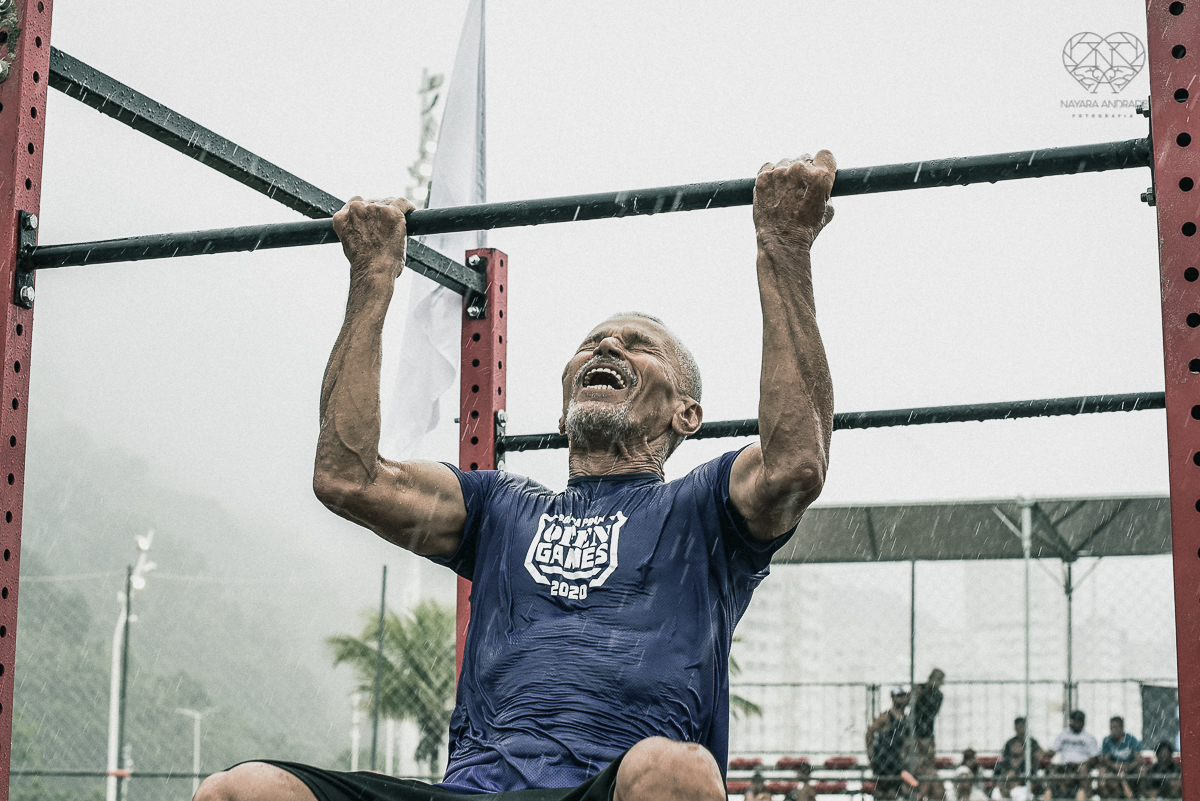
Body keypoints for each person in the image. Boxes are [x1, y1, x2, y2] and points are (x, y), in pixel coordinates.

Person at [193, 149, 838, 801]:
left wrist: (782, 246)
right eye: (593, 341)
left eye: (638, 344)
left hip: (602, 789)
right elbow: (346, 478)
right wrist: (374, 276)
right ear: (562, 413)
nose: (608, 345)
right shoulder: (499, 507)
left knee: (676, 772)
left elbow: (795, 463)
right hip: (473, 789)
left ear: (686, 413)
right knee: (240, 791)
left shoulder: (704, 508)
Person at [1042, 710, 1100, 801]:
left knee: (1083, 770)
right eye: (1074, 720)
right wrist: (1042, 754)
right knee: (1054, 770)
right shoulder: (1064, 734)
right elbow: (1052, 751)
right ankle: (1051, 796)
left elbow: (1095, 758)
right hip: (1064, 765)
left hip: (1080, 766)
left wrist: (1080, 764)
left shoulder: (1089, 737)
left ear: (1083, 722)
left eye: (1078, 721)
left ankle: (1087, 797)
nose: (1076, 723)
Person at [868, 687, 912, 799]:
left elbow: (906, 742)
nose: (902, 699)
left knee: (900, 792)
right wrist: (870, 754)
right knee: (887, 793)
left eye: (903, 696)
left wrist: (905, 757)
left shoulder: (905, 719)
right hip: (884, 761)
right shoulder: (886, 717)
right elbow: (869, 733)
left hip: (897, 762)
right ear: (893, 698)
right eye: (899, 696)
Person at [911, 669, 946, 800]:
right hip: (917, 731)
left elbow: (931, 712)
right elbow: (914, 705)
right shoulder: (920, 689)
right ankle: (920, 792)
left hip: (926, 732)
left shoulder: (937, 695)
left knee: (928, 766)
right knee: (918, 765)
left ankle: (923, 793)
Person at [1097, 717, 1141, 798]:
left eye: (1116, 727)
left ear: (1122, 727)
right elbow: (1105, 760)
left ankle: (1142, 794)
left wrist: (1129, 767)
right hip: (1113, 768)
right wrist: (1115, 765)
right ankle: (1103, 795)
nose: (1113, 730)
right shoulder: (1107, 740)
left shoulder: (1131, 739)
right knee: (1102, 772)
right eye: (1111, 728)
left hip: (1129, 768)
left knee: (1141, 770)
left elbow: (1139, 759)